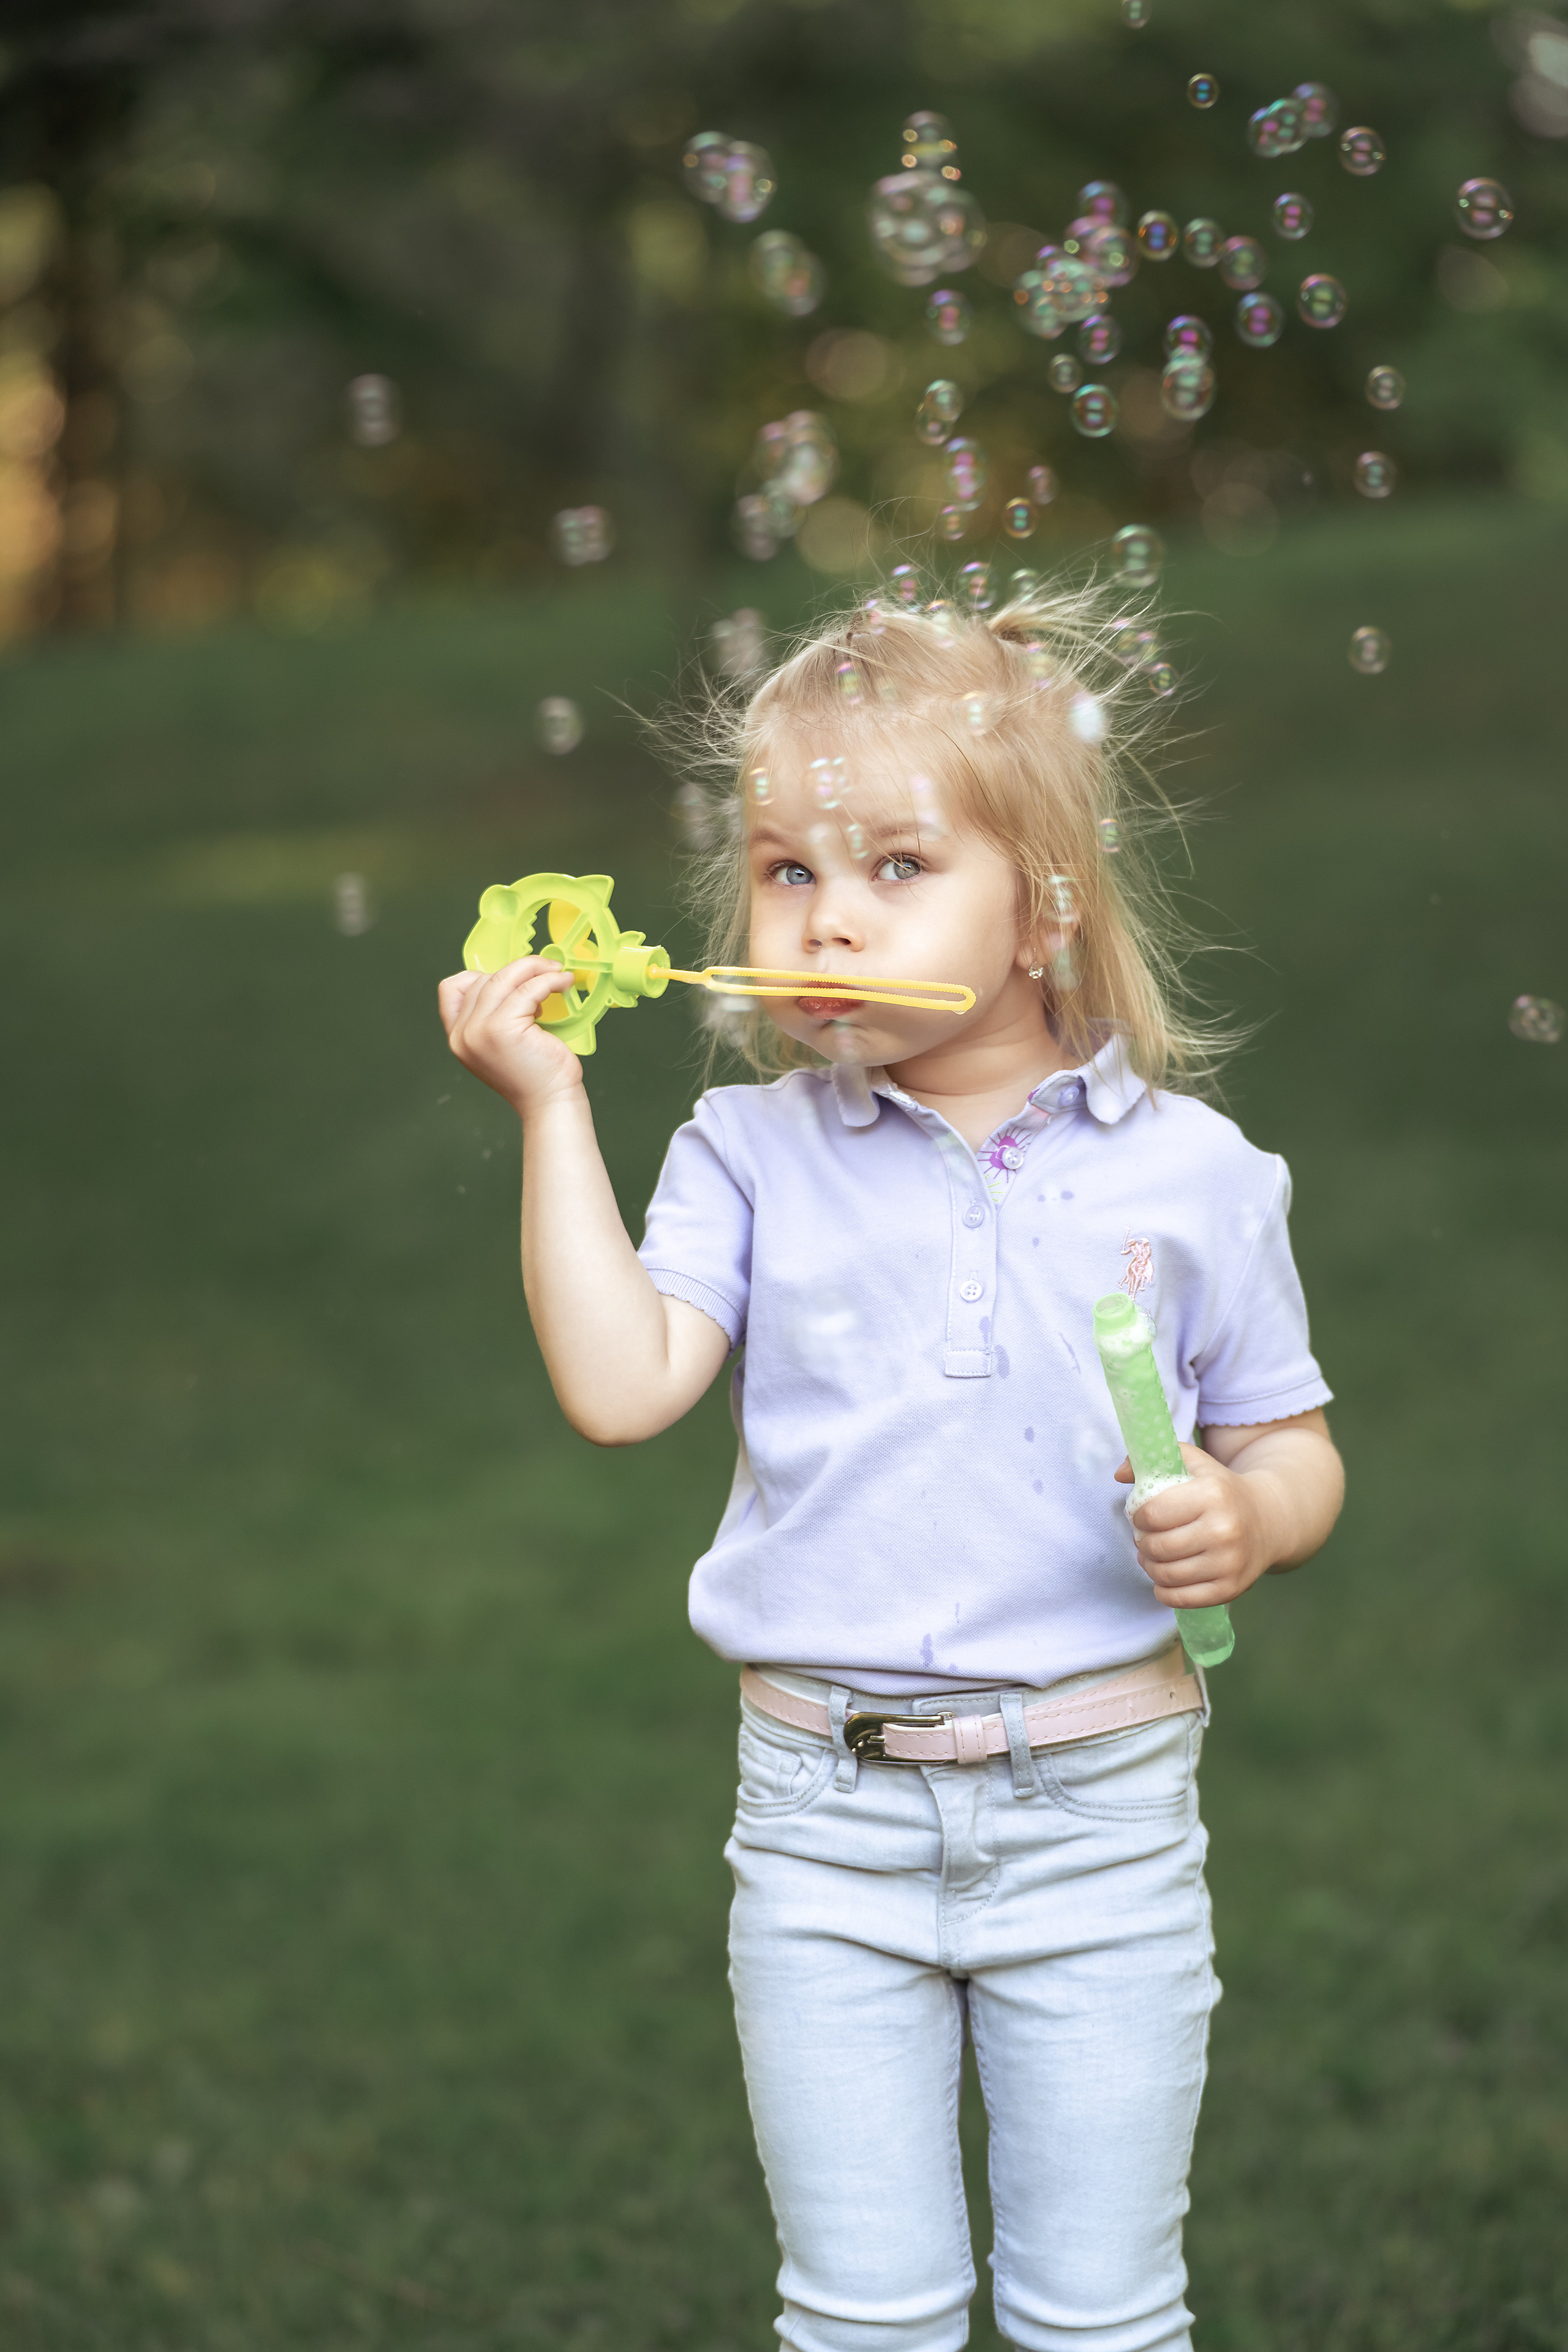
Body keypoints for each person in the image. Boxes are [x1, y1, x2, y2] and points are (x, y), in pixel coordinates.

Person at [438, 582, 1344, 2352]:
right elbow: (623, 1390)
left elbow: (1294, 1449)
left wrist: (1250, 1516)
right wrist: (555, 1113)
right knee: (863, 2320)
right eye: (789, 871)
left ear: (1047, 913)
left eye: (895, 868)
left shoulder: (1198, 1177)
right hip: (822, 1828)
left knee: (1103, 2318)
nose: (829, 921)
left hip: (1099, 1818)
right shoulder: (747, 1155)